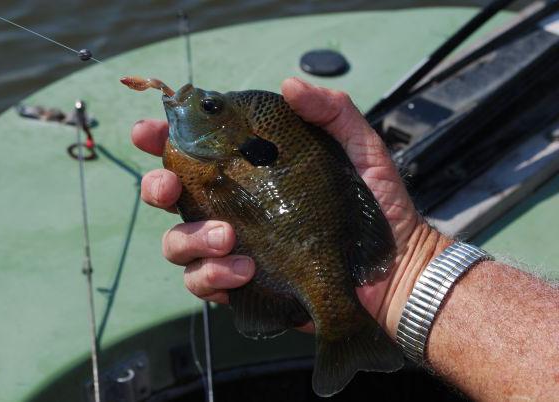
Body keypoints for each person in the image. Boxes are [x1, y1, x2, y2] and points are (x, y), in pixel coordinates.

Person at [131, 77, 558, 401]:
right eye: (210, 107)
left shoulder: (215, 150)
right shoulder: (201, 158)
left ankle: (344, 330)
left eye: (209, 107)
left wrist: (408, 270)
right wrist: (404, 276)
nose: (197, 102)